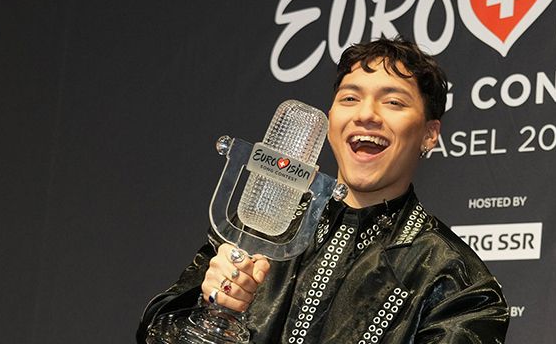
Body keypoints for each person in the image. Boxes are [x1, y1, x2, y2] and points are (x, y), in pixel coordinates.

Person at [138, 38, 509, 343]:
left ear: (429, 134)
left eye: (393, 102)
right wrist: (208, 307)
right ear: (331, 119)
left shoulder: (457, 282)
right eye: (350, 98)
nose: (366, 114)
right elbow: (153, 332)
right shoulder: (262, 224)